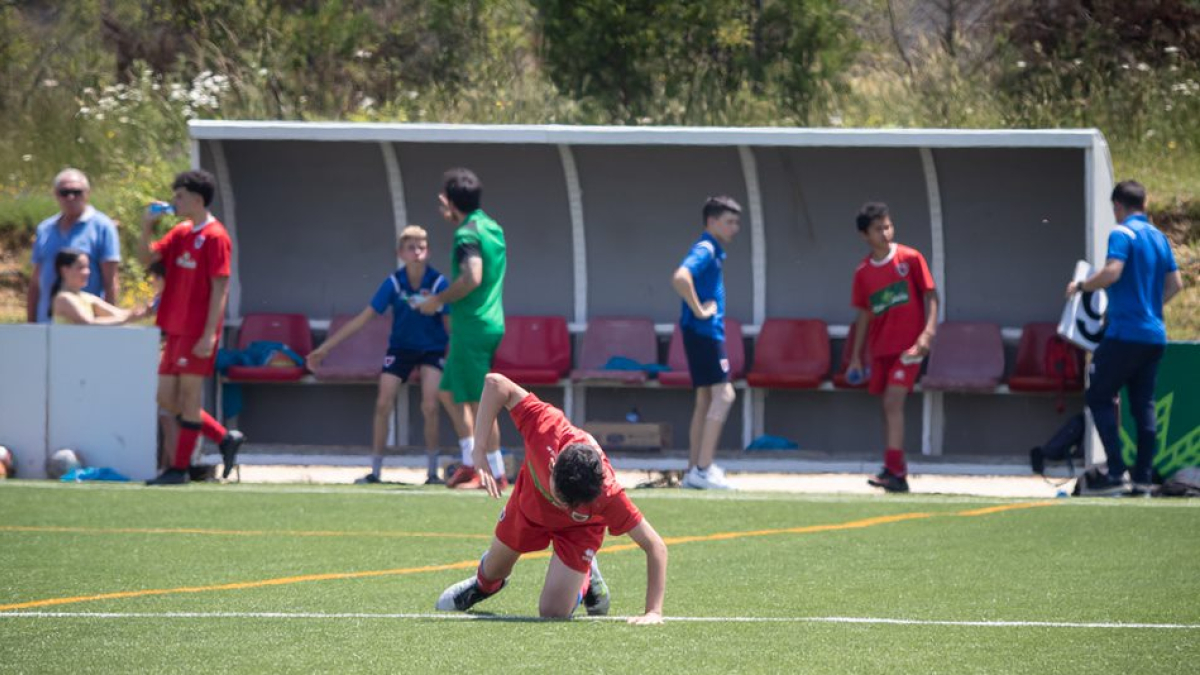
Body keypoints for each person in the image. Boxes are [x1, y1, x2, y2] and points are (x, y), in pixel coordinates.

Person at [435, 373, 668, 624]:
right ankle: (482, 586)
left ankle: (586, 575)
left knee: (552, 612)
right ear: (553, 464)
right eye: (560, 497)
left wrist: (653, 612)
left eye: (572, 505)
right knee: (494, 571)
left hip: (579, 532)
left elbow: (655, 546)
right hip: (528, 507)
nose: (563, 507)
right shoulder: (545, 426)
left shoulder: (607, 493)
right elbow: (495, 383)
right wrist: (478, 449)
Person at [306, 225, 455, 485]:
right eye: (411, 247)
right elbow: (364, 318)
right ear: (400, 253)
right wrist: (325, 348)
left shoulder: (439, 283)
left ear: (428, 251)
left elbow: (454, 326)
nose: (417, 252)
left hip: (432, 350)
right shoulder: (395, 283)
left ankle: (431, 472)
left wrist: (458, 357)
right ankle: (375, 471)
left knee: (430, 405)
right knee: (383, 402)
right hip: (400, 349)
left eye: (421, 247)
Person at [1067, 180, 1183, 496]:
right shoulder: (1159, 238)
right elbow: (1176, 284)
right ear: (1144, 205)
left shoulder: (1122, 233)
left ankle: (1116, 471)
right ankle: (1143, 478)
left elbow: (1112, 272)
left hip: (1124, 335)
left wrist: (1081, 287)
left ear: (1118, 206)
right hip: (1153, 336)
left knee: (1098, 396)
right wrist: (1149, 307)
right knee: (1143, 403)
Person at [139, 170, 244, 485]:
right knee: (166, 397)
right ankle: (223, 438)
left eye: (180, 196)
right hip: (175, 330)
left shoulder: (216, 236)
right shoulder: (182, 232)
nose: (175, 201)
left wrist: (210, 334)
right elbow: (147, 257)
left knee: (187, 398)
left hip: (197, 332)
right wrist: (147, 226)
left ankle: (179, 469)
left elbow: (220, 287)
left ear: (197, 200)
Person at [418, 168, 507, 490]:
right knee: (448, 391)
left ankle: (495, 474)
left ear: (451, 202)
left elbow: (472, 277)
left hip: (473, 326)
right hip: (486, 322)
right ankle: (471, 464)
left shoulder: (467, 233)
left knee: (480, 401)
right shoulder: (492, 227)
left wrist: (437, 300)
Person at [846, 202, 939, 493]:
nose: (885, 233)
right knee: (886, 409)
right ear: (865, 235)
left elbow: (932, 296)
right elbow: (864, 314)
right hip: (880, 349)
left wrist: (927, 334)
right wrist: (856, 357)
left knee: (892, 403)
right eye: (878, 229)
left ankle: (896, 471)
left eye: (888, 226)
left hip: (909, 349)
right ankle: (893, 469)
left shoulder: (909, 258)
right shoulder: (863, 272)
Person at [670, 196, 742, 490]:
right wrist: (700, 310)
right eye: (730, 222)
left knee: (705, 399)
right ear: (712, 222)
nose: (735, 228)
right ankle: (703, 468)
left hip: (696, 332)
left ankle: (693, 470)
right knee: (724, 395)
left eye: (737, 222)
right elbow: (680, 277)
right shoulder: (706, 248)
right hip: (706, 332)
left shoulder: (711, 249)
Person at [28, 168, 121, 324]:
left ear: (87, 193)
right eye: (64, 192)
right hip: (46, 324)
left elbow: (110, 281)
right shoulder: (45, 229)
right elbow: (36, 282)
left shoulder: (102, 226)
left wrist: (108, 327)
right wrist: (30, 323)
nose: (70, 197)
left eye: (76, 192)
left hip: (83, 325)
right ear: (56, 195)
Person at [47, 249, 147, 325]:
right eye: (81, 268)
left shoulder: (87, 297)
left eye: (87, 267)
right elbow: (88, 324)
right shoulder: (63, 299)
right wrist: (126, 319)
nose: (87, 272)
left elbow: (118, 313)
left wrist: (143, 312)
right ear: (64, 270)